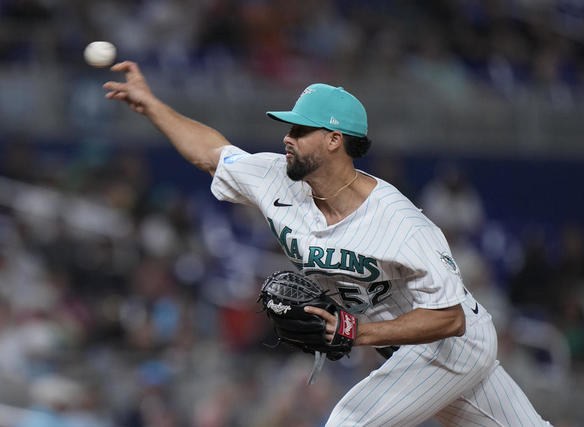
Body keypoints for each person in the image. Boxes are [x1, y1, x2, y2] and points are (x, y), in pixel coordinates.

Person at [103, 61, 551, 426]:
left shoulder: (399, 223)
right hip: (404, 348)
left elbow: (450, 318)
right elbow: (212, 154)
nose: (287, 138)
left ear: (335, 140)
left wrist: (359, 332)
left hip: (450, 346)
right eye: (289, 128)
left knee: (348, 423)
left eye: (300, 131)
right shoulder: (278, 179)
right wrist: (151, 106)